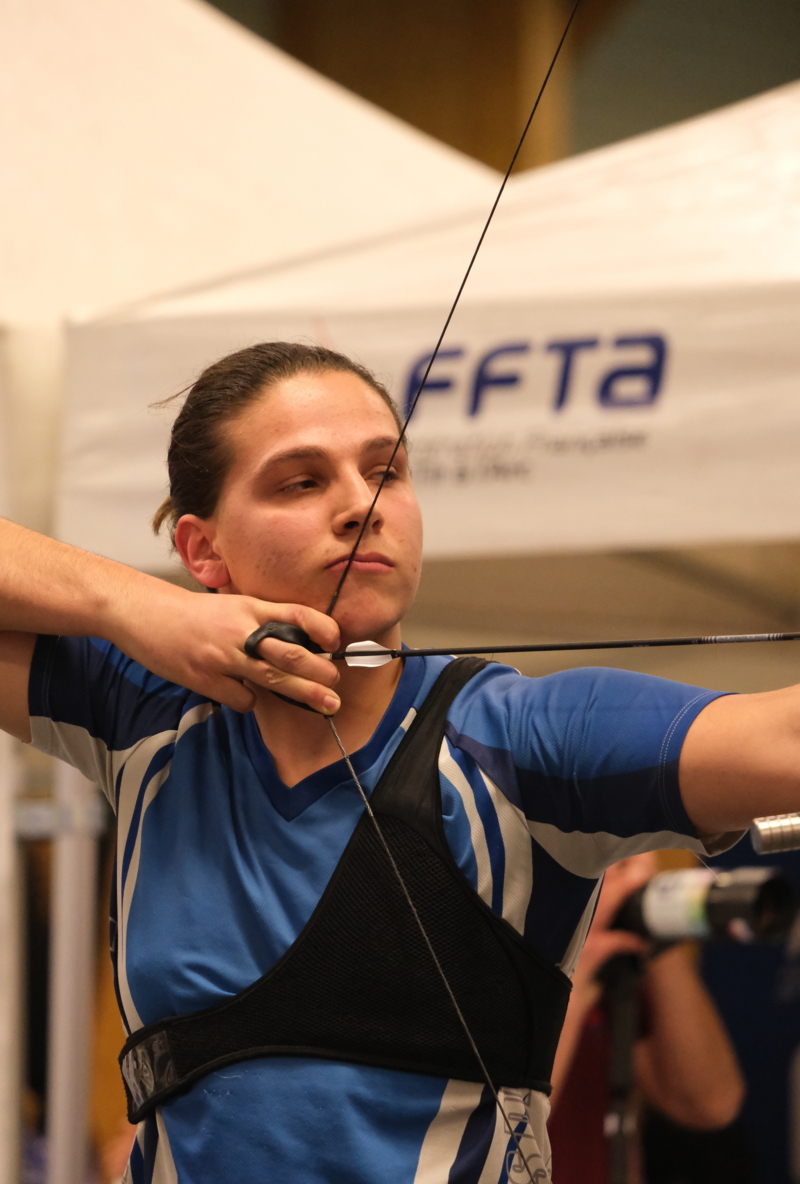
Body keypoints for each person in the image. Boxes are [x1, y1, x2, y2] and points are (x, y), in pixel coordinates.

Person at [0, 340, 798, 1184]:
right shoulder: (148, 712)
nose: (362, 504)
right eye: (300, 482)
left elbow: (782, 738)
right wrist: (133, 605)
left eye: (387, 471)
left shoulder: (520, 738)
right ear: (204, 551)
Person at [547, 854, 746, 1184]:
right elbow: (486, 1133)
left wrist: (650, 916)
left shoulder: (608, 953)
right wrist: (571, 979)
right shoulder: (478, 925)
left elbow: (710, 1103)